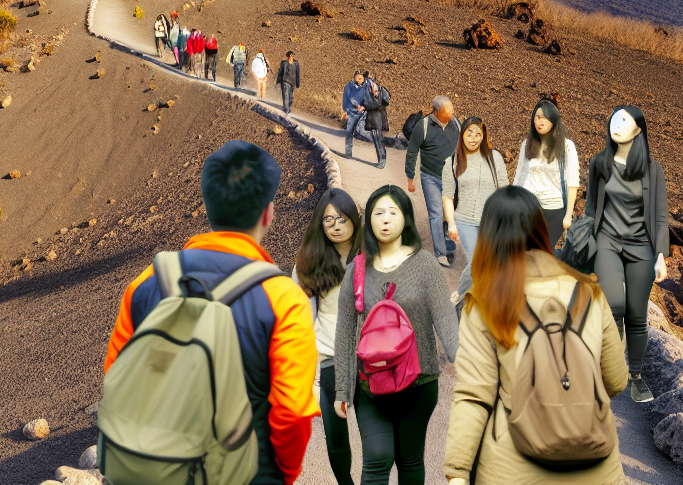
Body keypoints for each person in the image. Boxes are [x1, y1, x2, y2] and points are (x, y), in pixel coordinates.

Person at [105, 140, 319, 485]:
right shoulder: (284, 299)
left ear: (208, 207)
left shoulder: (146, 283)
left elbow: (117, 383)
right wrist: (282, 475)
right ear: (268, 213)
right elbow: (293, 412)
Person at [442, 186, 627, 485]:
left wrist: (458, 471)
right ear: (541, 230)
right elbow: (616, 381)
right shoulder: (589, 292)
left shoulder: (487, 302)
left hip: (512, 469)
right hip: (596, 467)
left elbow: (474, 396)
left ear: (488, 239)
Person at [335, 185, 459, 485]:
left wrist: (473, 371)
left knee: (410, 459)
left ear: (406, 218)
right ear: (369, 221)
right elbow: (345, 331)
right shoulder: (357, 270)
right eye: (378, 213)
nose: (385, 219)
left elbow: (446, 322)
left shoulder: (425, 265)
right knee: (377, 457)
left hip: (419, 383)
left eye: (393, 212)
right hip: (370, 385)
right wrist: (342, 388)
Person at [585, 105, 669, 403]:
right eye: (614, 118)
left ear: (638, 129)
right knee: (613, 306)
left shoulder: (652, 169)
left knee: (636, 314)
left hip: (641, 247)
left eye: (625, 120)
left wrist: (661, 255)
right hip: (607, 242)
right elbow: (591, 209)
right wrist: (584, 240)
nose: (616, 124)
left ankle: (635, 376)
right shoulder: (599, 163)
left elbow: (660, 217)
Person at [293, 189, 362, 485]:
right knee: (336, 436)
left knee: (377, 435)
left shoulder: (371, 256)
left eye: (341, 218)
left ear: (354, 220)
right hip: (329, 358)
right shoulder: (311, 261)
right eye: (328, 220)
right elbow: (300, 320)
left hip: (369, 356)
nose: (335, 225)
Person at [441, 116, 509, 305]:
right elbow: (447, 196)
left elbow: (504, 191)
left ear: (483, 136)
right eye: (469, 133)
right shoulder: (453, 161)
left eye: (478, 134)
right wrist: (452, 224)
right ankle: (458, 297)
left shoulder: (494, 158)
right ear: (462, 135)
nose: (473, 138)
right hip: (464, 220)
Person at [513, 99, 579, 252]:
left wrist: (568, 215)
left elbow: (572, 182)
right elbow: (519, 176)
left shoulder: (566, 146)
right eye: (536, 117)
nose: (539, 121)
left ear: (553, 119)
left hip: (554, 210)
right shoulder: (527, 144)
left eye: (543, 117)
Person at [405, 96, 460, 268]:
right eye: (448, 109)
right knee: (436, 213)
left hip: (451, 178)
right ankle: (442, 253)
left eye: (452, 108)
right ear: (437, 111)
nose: (452, 112)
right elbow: (412, 151)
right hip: (430, 177)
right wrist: (410, 177)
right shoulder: (423, 126)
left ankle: (446, 239)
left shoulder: (456, 124)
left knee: (450, 213)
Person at [360, 76, 389, 169]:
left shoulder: (374, 92)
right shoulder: (377, 90)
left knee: (377, 139)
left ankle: (382, 159)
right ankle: (382, 158)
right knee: (378, 139)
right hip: (375, 118)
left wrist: (364, 106)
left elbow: (372, 104)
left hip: (375, 118)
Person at [341, 71, 371, 160]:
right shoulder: (349, 86)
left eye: (360, 78)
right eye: (356, 77)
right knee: (349, 132)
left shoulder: (367, 88)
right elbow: (345, 99)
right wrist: (345, 112)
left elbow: (370, 100)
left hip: (362, 113)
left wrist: (364, 107)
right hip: (351, 112)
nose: (358, 80)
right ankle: (348, 153)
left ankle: (375, 139)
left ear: (364, 78)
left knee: (361, 130)